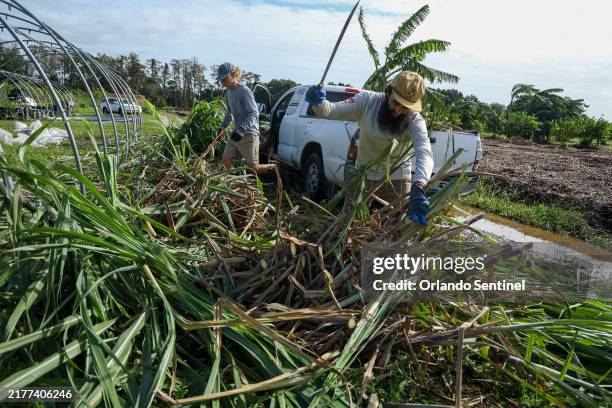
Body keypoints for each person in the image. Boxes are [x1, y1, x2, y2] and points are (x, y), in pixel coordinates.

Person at [305, 71, 433, 225]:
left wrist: (418, 186)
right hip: (362, 177)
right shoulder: (367, 101)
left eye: (405, 108)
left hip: (396, 180)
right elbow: (330, 111)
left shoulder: (414, 120)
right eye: (396, 103)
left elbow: (424, 152)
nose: (398, 111)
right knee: (351, 225)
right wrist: (318, 103)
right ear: (387, 92)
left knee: (394, 228)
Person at [215, 62, 275, 176]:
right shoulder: (229, 93)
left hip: (249, 134)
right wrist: (222, 127)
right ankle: (231, 185)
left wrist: (242, 128)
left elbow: (254, 112)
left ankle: (276, 170)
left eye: (224, 78)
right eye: (221, 79)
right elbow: (229, 113)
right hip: (236, 134)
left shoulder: (244, 91)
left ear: (233, 75)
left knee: (253, 168)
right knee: (224, 162)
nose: (222, 82)